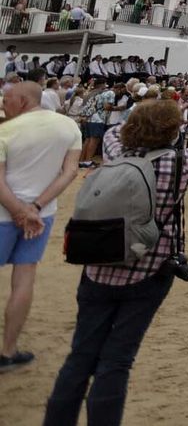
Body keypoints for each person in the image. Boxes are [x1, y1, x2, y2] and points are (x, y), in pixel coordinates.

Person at [42, 98, 188, 425]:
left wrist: (150, 118)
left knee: (80, 356)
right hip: (150, 267)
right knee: (117, 360)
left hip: (100, 261)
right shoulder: (179, 163)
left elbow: (115, 130)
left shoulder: (114, 149)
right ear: (173, 131)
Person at [0, 81, 82, 371]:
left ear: (22, 101)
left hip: (4, 213)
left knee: (24, 280)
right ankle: (7, 351)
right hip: (42, 214)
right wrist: (34, 208)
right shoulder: (68, 127)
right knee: (24, 280)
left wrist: (20, 210)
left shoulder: (5, 131)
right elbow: (70, 171)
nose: (3, 104)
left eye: (7, 99)